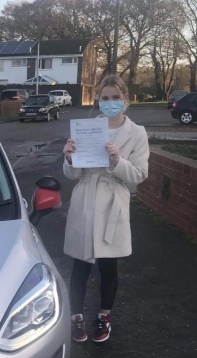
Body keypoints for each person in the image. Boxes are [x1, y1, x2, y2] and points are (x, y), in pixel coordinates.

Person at [62, 75, 149, 343]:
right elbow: (73, 175)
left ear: (125, 99)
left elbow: (139, 174)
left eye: (116, 97)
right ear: (98, 99)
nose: (110, 102)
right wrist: (69, 158)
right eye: (105, 98)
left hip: (113, 201)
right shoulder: (86, 129)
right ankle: (76, 317)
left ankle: (104, 317)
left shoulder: (137, 133)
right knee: (80, 266)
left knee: (108, 267)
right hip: (85, 199)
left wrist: (117, 160)